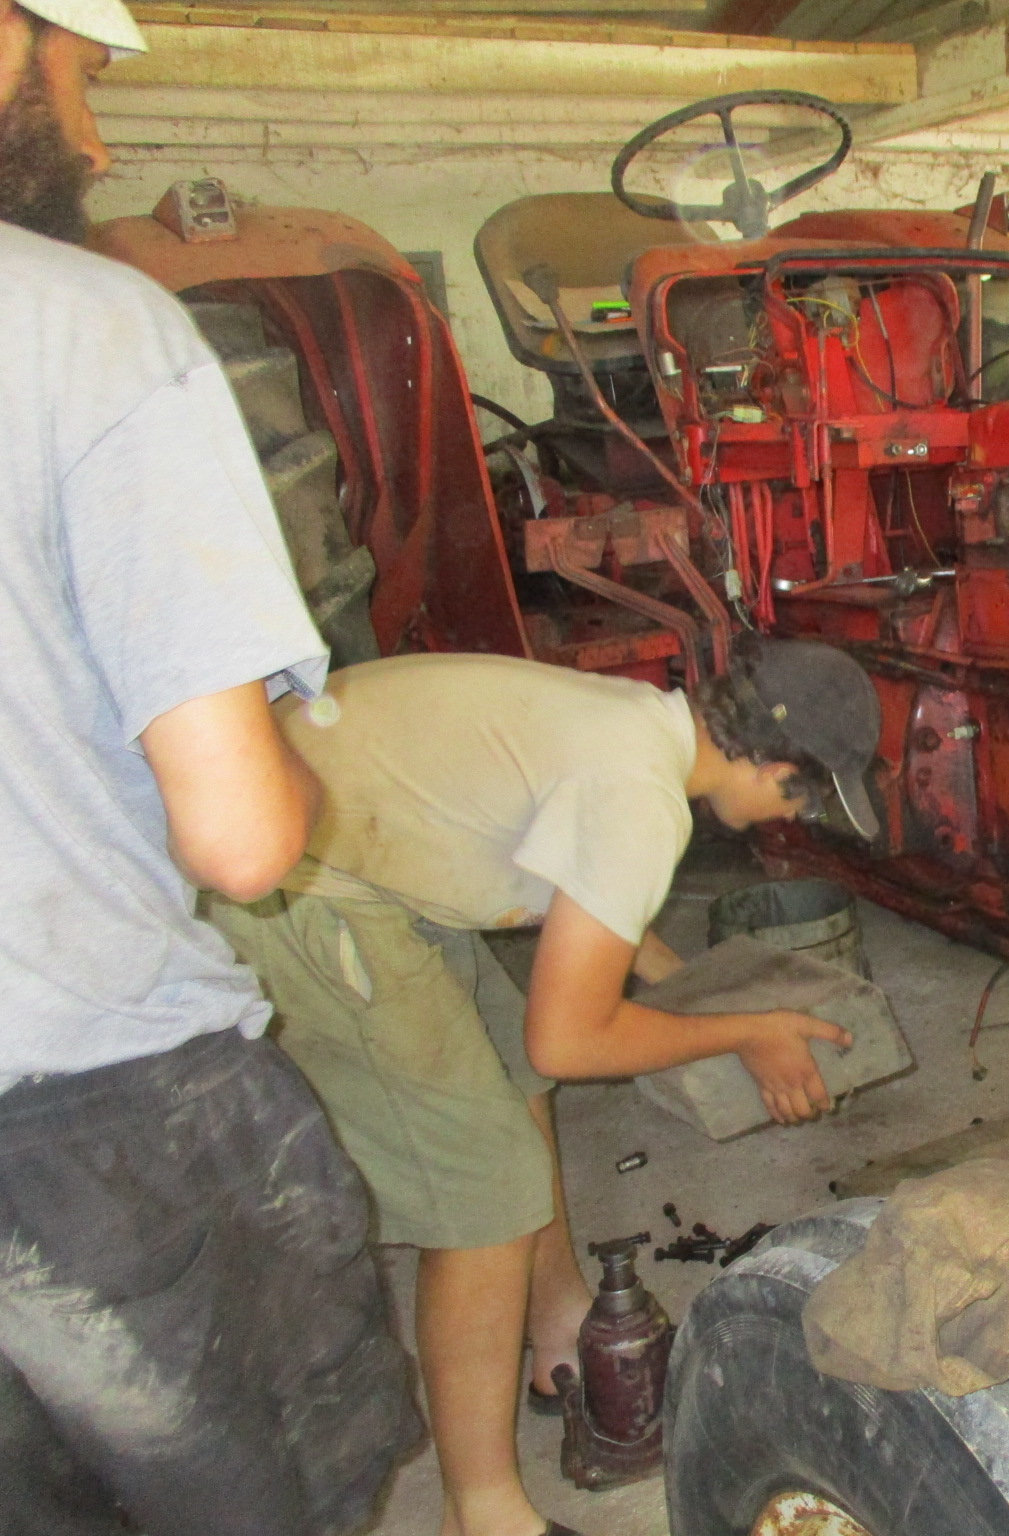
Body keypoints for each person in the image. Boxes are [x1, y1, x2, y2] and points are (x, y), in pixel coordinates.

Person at [0, 0, 418, 1532]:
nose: (96, 142)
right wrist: (292, 777)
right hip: (90, 1116)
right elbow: (242, 839)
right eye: (81, 77)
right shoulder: (84, 323)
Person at [206, 639, 882, 1536]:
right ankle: (482, 1513)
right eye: (805, 797)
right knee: (487, 1189)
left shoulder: (639, 724)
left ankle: (557, 1329)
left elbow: (598, 907)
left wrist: (705, 993)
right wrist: (748, 1034)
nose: (790, 818)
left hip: (367, 846)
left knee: (514, 1083)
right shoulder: (641, 797)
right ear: (774, 766)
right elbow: (569, 1038)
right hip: (307, 885)